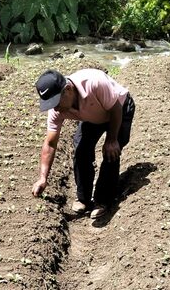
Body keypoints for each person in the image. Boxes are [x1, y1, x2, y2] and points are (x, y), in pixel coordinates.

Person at [31, 68, 135, 219]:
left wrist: (111, 140)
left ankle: (103, 200)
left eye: (56, 102)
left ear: (68, 89)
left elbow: (115, 108)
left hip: (118, 110)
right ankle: (83, 198)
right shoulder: (57, 109)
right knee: (81, 150)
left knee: (110, 153)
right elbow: (50, 143)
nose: (55, 108)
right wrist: (43, 178)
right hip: (93, 116)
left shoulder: (94, 83)